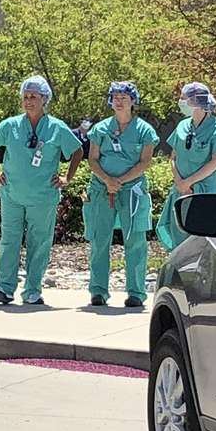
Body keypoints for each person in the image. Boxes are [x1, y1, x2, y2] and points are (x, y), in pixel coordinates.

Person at [0, 76, 83, 306]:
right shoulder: (10, 125)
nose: (28, 101)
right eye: (25, 97)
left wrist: (67, 178)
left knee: (39, 244)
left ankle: (32, 290)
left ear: (44, 99)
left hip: (43, 197)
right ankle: (4, 286)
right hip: (12, 195)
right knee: (9, 240)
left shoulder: (56, 128)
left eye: (33, 97)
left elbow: (77, 151)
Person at [83, 81, 159, 308]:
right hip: (102, 189)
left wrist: (120, 181)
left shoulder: (145, 130)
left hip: (132, 191)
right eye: (115, 97)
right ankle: (98, 291)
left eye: (123, 97)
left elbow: (145, 162)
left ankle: (136, 292)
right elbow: (92, 159)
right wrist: (108, 180)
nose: (118, 101)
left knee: (135, 241)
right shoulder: (100, 129)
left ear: (133, 101)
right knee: (99, 239)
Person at [155, 82, 216, 250]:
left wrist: (189, 182)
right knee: (180, 237)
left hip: (206, 192)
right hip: (181, 191)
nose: (180, 102)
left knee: (204, 241)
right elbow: (173, 157)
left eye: (183, 98)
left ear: (196, 101)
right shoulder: (182, 125)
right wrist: (180, 182)